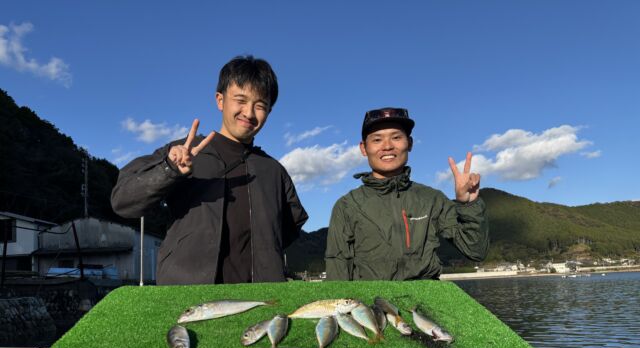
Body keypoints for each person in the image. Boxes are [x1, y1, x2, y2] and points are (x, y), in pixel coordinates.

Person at [111, 55, 308, 285]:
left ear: (269, 111)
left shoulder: (273, 171)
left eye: (260, 105)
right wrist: (169, 170)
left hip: (259, 297)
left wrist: (265, 254)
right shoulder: (182, 153)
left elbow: (289, 226)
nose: (249, 113)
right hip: (189, 296)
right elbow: (122, 201)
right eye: (240, 100)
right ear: (220, 100)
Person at [325, 107, 488, 280]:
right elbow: (337, 271)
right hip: (371, 296)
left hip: (426, 294)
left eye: (396, 137)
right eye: (377, 139)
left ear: (409, 143)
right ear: (364, 148)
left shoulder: (432, 199)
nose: (387, 146)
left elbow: (475, 251)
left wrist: (468, 204)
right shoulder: (347, 205)